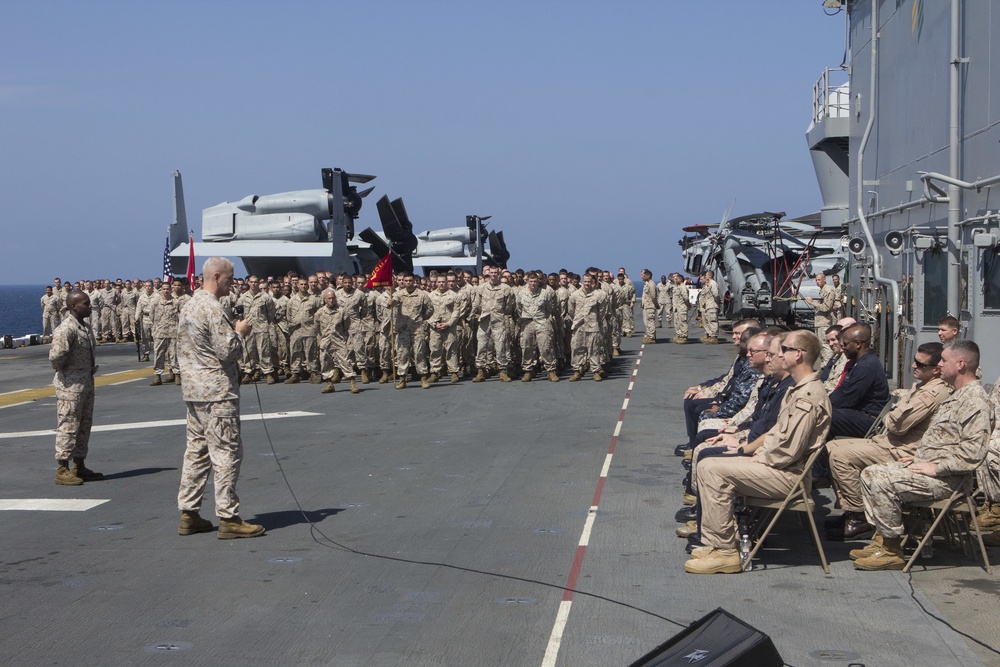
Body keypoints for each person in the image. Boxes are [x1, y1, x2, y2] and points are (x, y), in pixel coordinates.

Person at [684, 330, 831, 574]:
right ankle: (716, 543)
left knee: (713, 469)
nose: (779, 354)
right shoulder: (797, 390)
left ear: (799, 355)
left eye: (784, 349)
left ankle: (724, 551)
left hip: (788, 476)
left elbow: (787, 451)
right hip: (777, 467)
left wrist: (753, 457)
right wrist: (747, 450)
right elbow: (776, 434)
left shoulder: (808, 395)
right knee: (709, 463)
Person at [854, 340, 990, 570]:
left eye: (944, 361)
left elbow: (973, 453)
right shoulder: (957, 394)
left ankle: (891, 550)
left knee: (880, 479)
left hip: (948, 481)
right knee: (871, 472)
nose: (940, 365)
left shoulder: (974, 400)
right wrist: (919, 459)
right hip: (930, 468)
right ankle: (885, 539)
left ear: (960, 364)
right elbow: (945, 440)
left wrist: (936, 468)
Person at [824, 342, 951, 541]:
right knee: (831, 447)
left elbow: (897, 425)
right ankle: (853, 510)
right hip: (889, 441)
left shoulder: (932, 393)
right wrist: (893, 415)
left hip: (902, 449)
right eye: (914, 361)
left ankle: (860, 517)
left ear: (936, 370)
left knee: (842, 457)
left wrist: (891, 416)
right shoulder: (921, 386)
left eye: (920, 364)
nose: (914, 366)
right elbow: (895, 417)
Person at [176, 257, 264, 539]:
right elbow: (227, 351)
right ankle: (229, 517)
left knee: (197, 452)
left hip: (194, 391)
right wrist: (240, 333)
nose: (232, 282)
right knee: (226, 452)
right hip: (216, 392)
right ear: (216, 276)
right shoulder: (212, 308)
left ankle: (189, 514)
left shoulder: (189, 303)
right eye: (229, 277)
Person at [49, 290, 102, 485]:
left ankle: (79, 465)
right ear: (74, 307)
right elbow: (56, 357)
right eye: (85, 304)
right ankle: (62, 468)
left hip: (85, 384)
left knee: (84, 425)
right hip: (70, 387)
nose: (89, 306)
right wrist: (67, 373)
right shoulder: (66, 329)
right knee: (68, 427)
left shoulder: (84, 327)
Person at [698, 270, 721, 344]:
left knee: (712, 320)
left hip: (712, 305)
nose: (705, 276)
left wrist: (717, 302)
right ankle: (710, 335)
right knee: (708, 321)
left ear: (710, 276)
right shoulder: (708, 284)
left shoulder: (713, 284)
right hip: (708, 305)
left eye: (706, 275)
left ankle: (714, 336)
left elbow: (716, 294)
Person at [670, 273, 690, 344]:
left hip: (682, 308)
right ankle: (679, 335)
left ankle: (684, 336)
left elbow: (686, 298)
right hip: (677, 308)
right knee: (678, 322)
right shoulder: (677, 287)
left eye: (677, 278)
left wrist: (688, 305)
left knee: (683, 322)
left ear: (681, 279)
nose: (675, 279)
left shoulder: (682, 287)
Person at [640, 269, 658, 344]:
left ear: (648, 276)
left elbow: (653, 296)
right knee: (646, 322)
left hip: (650, 306)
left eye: (643, 275)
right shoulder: (647, 284)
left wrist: (656, 304)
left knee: (650, 321)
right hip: (646, 306)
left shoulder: (651, 284)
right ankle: (649, 334)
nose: (641, 276)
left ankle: (651, 337)